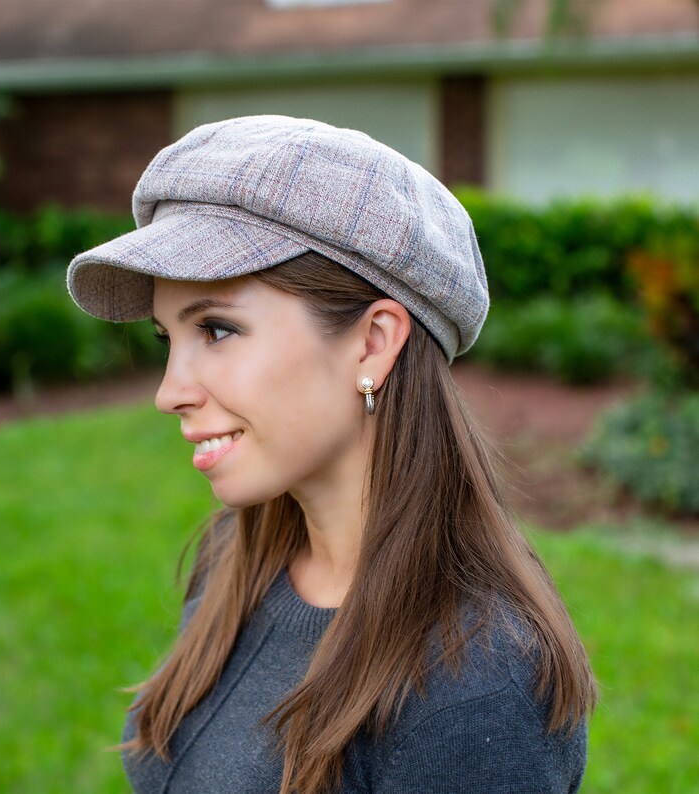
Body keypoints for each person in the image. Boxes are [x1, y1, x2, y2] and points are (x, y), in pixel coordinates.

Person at [66, 115, 597, 794]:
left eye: (218, 328)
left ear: (374, 343)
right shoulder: (236, 557)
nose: (170, 392)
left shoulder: (479, 684)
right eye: (166, 338)